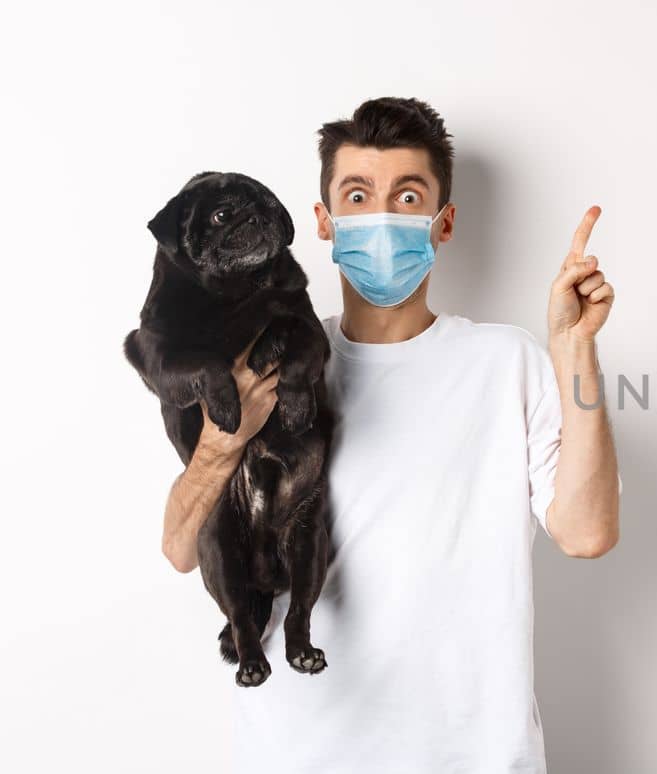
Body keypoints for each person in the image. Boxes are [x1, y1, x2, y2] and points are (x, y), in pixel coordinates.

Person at [156, 96, 621, 773]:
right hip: (297, 752)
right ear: (323, 221)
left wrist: (573, 348)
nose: (381, 218)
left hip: (475, 755)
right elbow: (178, 550)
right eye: (357, 195)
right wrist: (228, 440)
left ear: (443, 223)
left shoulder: (506, 363)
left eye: (407, 196)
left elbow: (586, 532)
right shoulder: (261, 362)